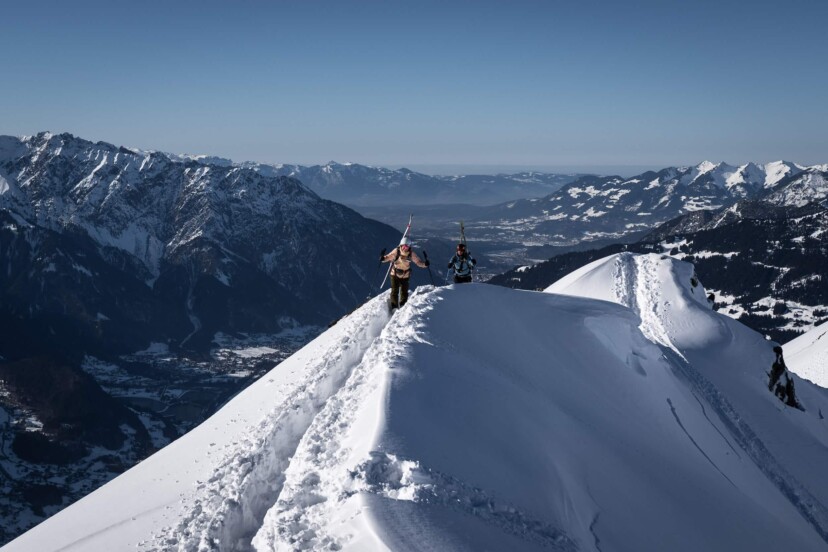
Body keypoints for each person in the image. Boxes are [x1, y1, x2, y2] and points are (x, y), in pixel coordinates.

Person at [382, 237, 428, 309]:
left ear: (409, 247)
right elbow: (389, 257)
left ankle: (403, 305)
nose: (405, 248)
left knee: (404, 291)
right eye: (403, 246)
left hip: (405, 275)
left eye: (407, 246)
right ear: (401, 245)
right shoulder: (396, 251)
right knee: (394, 290)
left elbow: (418, 262)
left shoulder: (411, 254)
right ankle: (394, 307)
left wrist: (425, 264)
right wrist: (383, 259)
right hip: (395, 274)